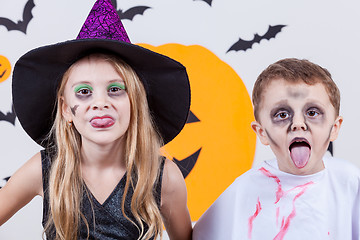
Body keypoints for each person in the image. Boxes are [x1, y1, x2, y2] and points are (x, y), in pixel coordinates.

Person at [0, 0, 192, 239]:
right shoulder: (46, 170)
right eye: (84, 92)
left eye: (115, 89)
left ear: (136, 104)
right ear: (66, 110)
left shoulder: (162, 177)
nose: (100, 103)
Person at [193, 58, 360, 239]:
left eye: (312, 112)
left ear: (334, 128)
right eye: (282, 114)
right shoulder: (242, 190)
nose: (297, 124)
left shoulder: (350, 182)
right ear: (261, 132)